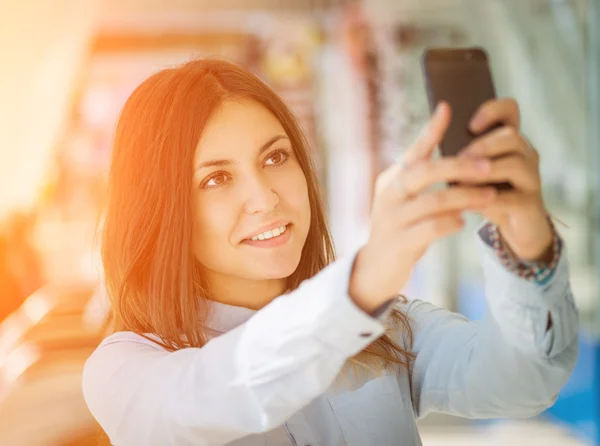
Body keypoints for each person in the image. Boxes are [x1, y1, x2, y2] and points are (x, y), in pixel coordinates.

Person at [82, 59, 578, 446]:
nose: (265, 198)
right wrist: (360, 288)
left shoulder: (386, 329)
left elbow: (525, 379)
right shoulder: (125, 370)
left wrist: (527, 246)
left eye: (275, 157)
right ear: (161, 210)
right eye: (216, 179)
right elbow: (214, 396)